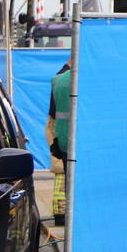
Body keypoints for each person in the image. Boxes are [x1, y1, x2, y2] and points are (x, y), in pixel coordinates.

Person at [46, 60, 71, 225]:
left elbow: (52, 117)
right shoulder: (87, 79)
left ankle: (63, 216)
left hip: (63, 141)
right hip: (84, 141)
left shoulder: (58, 80)